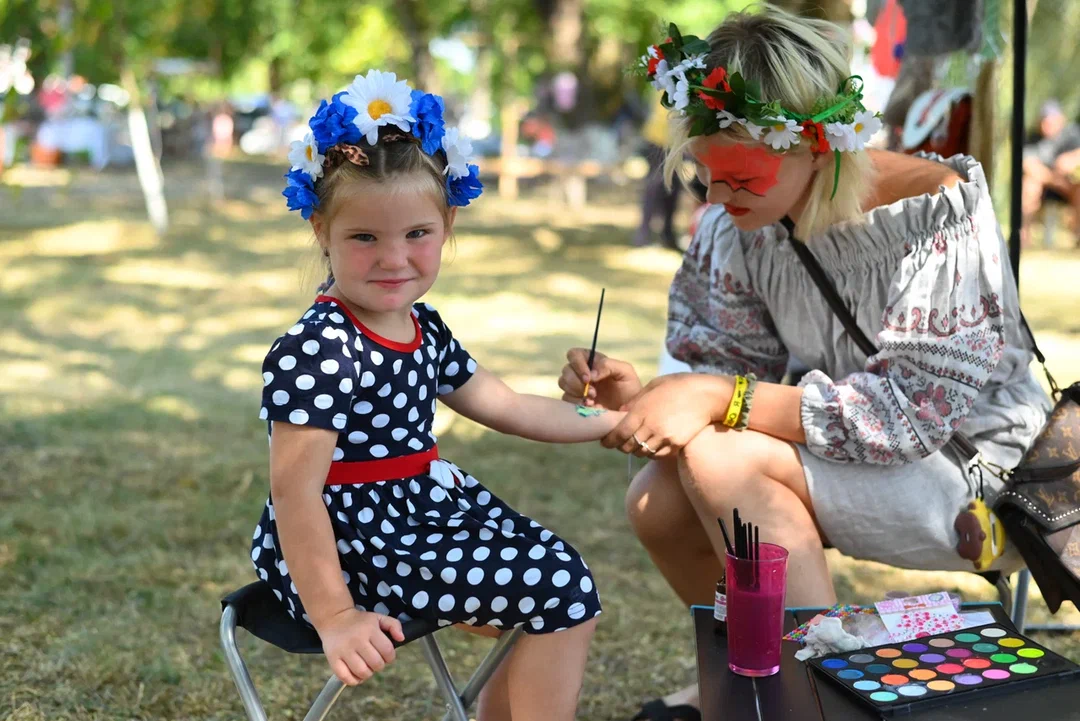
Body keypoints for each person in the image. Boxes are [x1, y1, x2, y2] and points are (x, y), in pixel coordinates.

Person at [557, 8, 1051, 721]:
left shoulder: (935, 212)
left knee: (725, 461)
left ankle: (806, 702)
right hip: (856, 449)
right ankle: (748, 681)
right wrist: (649, 394)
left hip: (980, 469)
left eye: (743, 178)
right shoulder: (739, 225)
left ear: (820, 146)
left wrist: (716, 396)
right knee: (655, 498)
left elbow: (907, 415)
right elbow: (722, 371)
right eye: (705, 174)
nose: (718, 198)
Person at [253, 70, 624, 721]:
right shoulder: (320, 347)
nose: (394, 258)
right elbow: (295, 492)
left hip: (421, 514)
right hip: (346, 542)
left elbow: (505, 405)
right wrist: (337, 615)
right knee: (560, 586)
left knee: (557, 580)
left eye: (416, 234)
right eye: (364, 237)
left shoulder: (424, 326)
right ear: (321, 230)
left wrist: (606, 418)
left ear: (447, 223)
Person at [1021, 100, 1080, 247]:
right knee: (1029, 186)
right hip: (1045, 186)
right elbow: (1029, 165)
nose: (1047, 125)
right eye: (1045, 121)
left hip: (1068, 187)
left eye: (1052, 121)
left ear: (1061, 120)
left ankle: (1078, 235)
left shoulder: (1072, 134)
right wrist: (1055, 180)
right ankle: (1023, 236)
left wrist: (1071, 159)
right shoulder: (1032, 138)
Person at [634, 94, 684, 249]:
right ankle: (644, 233)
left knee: (673, 188)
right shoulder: (667, 78)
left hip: (675, 143)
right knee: (654, 186)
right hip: (659, 141)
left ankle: (667, 233)